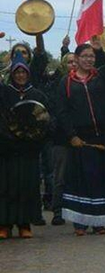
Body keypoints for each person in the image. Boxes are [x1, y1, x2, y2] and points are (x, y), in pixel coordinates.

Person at [56, 43, 105, 236]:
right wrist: (72, 136)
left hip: (103, 137)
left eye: (91, 56)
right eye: (85, 56)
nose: (89, 59)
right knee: (81, 181)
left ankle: (100, 222)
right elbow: (62, 112)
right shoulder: (66, 82)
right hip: (80, 139)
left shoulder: (101, 77)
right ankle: (80, 223)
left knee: (100, 180)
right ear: (77, 59)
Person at [0, 53, 52, 239]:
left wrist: (34, 139)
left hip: (29, 150)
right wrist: (9, 138)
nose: (20, 75)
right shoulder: (4, 93)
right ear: (12, 74)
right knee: (6, 187)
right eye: (17, 72)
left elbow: (45, 121)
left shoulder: (37, 95)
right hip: (7, 149)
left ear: (28, 73)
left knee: (27, 187)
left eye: (23, 72)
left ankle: (24, 224)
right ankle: (4, 224)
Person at [47, 51, 77, 226]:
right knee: (60, 176)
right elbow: (57, 110)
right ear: (63, 65)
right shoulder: (58, 83)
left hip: (80, 136)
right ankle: (57, 210)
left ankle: (76, 210)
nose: (72, 65)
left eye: (75, 62)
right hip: (61, 137)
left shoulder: (82, 83)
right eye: (69, 62)